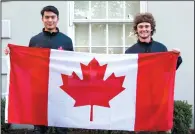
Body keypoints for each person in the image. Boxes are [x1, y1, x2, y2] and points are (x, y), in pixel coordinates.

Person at [4, 5, 73, 134]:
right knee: (39, 129)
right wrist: (11, 53)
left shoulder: (67, 41)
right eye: (47, 17)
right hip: (39, 89)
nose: (50, 20)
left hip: (60, 89)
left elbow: (71, 65)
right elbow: (26, 62)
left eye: (53, 17)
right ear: (42, 19)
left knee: (61, 128)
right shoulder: (35, 40)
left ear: (57, 19)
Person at [125, 12, 182, 134]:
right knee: (140, 131)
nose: (144, 29)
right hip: (140, 100)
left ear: (151, 28)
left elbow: (169, 70)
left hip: (159, 98)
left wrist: (177, 58)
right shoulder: (130, 52)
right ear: (136, 29)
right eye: (140, 26)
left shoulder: (161, 48)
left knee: (163, 130)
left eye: (146, 26)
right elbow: (126, 75)